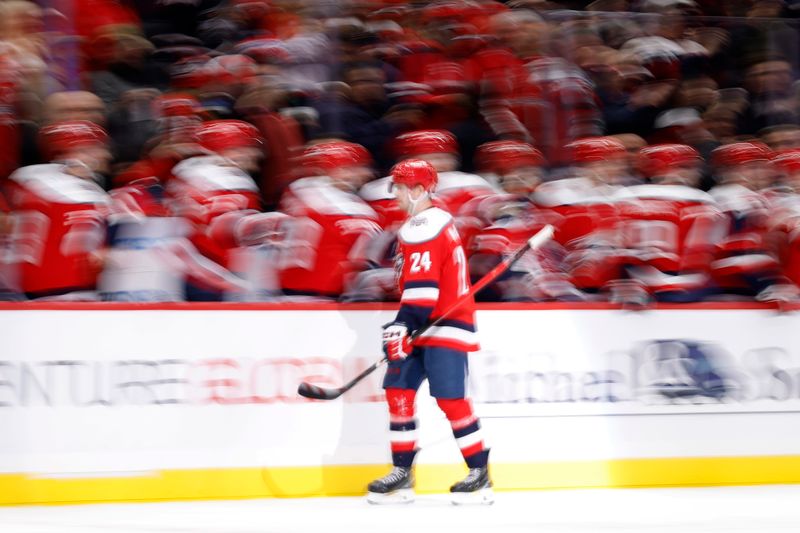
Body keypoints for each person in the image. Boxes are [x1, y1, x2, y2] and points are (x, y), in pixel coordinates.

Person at [367, 159, 491, 505]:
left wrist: (401, 326)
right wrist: (404, 326)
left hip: (444, 324)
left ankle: (479, 474)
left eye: (400, 188)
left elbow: (424, 291)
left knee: (451, 400)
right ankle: (402, 474)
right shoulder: (423, 223)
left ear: (419, 190)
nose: (395, 195)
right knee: (398, 391)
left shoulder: (425, 224)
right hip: (422, 323)